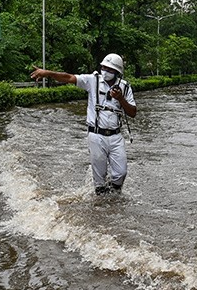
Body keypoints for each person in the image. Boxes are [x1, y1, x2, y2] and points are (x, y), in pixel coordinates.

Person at [30, 53, 137, 195]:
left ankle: (114, 197)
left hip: (116, 136)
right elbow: (68, 77)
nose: (105, 71)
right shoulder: (92, 81)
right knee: (100, 177)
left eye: (109, 69)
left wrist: (120, 99)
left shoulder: (125, 87)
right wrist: (47, 73)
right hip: (96, 135)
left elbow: (133, 112)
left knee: (121, 173)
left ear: (117, 72)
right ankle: (102, 205)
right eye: (103, 67)